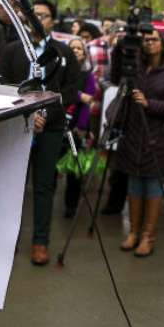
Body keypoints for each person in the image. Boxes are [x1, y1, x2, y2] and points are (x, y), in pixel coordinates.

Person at [0, 0, 82, 266]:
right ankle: (6, 239)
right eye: (33, 15)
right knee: (12, 186)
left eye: (43, 16)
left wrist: (45, 114)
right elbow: (5, 87)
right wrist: (27, 114)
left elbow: (69, 90)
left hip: (51, 128)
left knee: (44, 186)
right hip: (17, 127)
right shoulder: (12, 51)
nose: (37, 20)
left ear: (52, 21)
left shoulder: (63, 53)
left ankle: (40, 242)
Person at [112, 24, 164, 257]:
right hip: (133, 133)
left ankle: (148, 237)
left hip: (157, 136)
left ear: (162, 43)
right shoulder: (135, 69)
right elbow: (115, 76)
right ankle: (133, 232)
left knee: (152, 185)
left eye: (154, 39)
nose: (149, 43)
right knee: (133, 184)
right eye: (146, 40)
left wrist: (148, 103)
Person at [63, 35, 98, 218]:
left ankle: (71, 205)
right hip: (59, 123)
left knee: (74, 169)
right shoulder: (60, 71)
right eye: (73, 47)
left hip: (77, 126)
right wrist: (77, 94)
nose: (76, 51)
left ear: (85, 54)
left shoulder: (87, 75)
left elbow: (89, 99)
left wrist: (82, 127)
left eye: (79, 48)